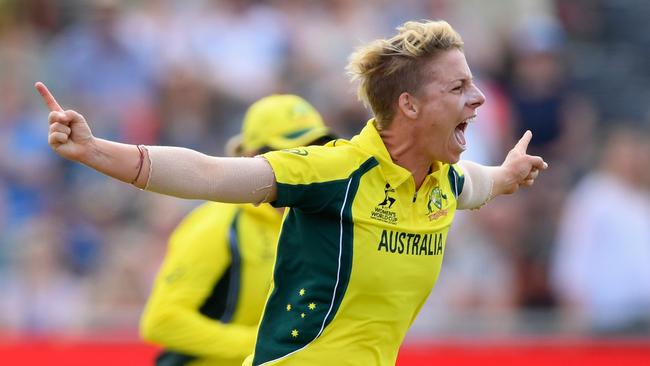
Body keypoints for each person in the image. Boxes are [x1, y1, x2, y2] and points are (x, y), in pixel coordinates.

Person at [37, 19, 547, 366]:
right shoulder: (335, 172)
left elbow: (479, 185)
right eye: (458, 88)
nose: (478, 98)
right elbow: (211, 174)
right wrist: (96, 151)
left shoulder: (441, 182)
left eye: (473, 83)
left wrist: (507, 174)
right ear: (409, 105)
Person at [139, 95, 336, 366]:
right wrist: (265, 344)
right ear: (252, 157)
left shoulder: (318, 222)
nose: (304, 162)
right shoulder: (218, 223)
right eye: (292, 150)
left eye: (313, 149)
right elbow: (161, 321)